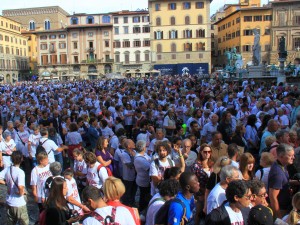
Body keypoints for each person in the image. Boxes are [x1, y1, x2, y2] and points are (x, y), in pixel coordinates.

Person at [268, 143, 297, 218]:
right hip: (281, 210)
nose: (293, 157)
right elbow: (273, 197)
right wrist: (279, 217)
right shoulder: (277, 173)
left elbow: (283, 181)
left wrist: (295, 182)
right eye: (290, 156)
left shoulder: (282, 165)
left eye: (293, 155)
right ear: (281, 156)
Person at [0, 151, 29, 225]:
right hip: (19, 203)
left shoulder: (8, 169)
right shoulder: (20, 172)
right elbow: (20, 187)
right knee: (24, 223)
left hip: (9, 201)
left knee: (10, 222)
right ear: (21, 159)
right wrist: (21, 193)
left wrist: (6, 183)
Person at [134, 140, 151, 212]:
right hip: (143, 181)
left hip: (144, 179)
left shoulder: (144, 155)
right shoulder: (139, 159)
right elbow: (149, 168)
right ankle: (141, 210)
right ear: (143, 148)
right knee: (143, 197)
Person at [120, 139, 137, 207]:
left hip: (135, 176)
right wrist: (133, 157)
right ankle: (126, 205)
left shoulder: (134, 151)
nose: (134, 144)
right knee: (127, 192)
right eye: (133, 143)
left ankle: (132, 203)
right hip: (128, 177)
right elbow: (129, 165)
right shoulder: (124, 154)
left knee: (133, 191)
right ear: (128, 146)